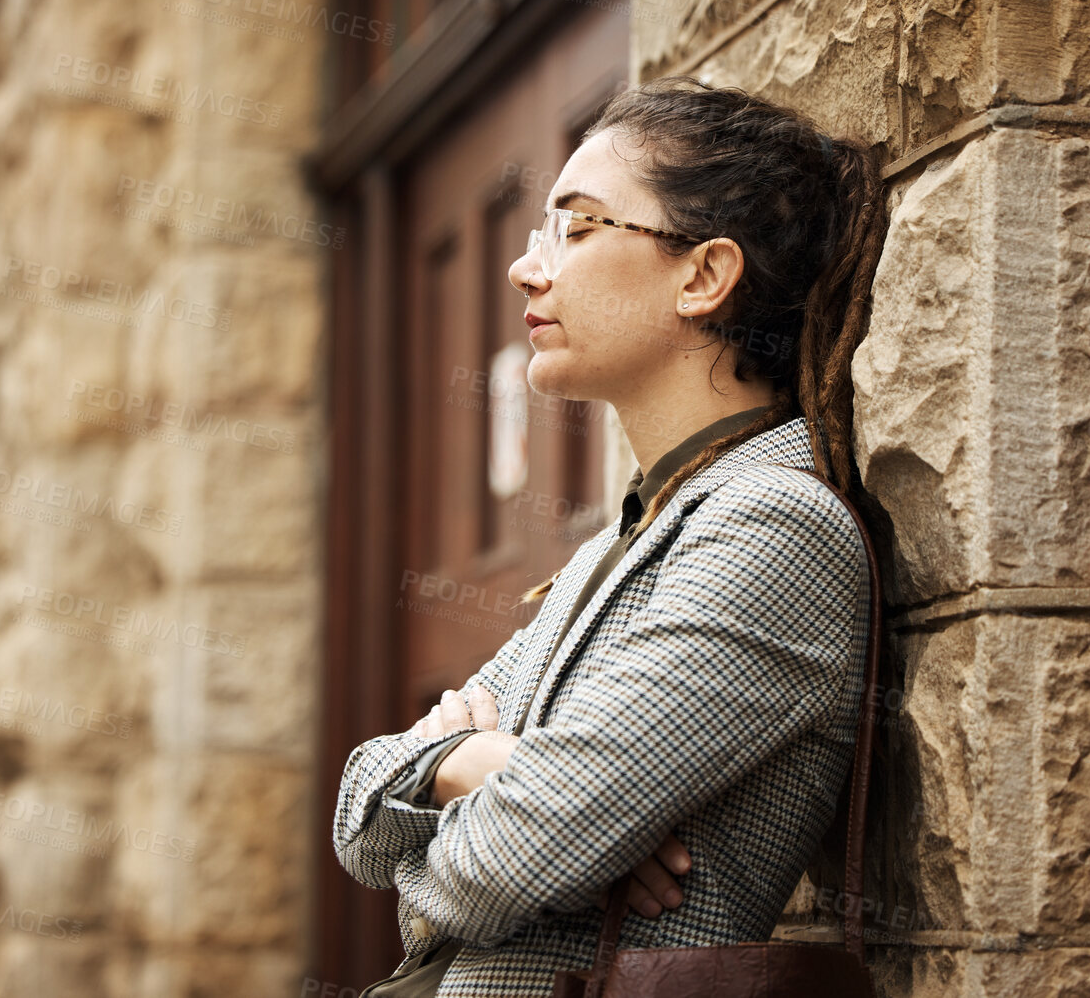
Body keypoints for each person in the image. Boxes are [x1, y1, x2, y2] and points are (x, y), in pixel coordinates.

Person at [333, 77, 892, 997]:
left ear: (703, 276)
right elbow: (359, 806)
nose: (527, 268)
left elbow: (514, 858)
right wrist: (479, 765)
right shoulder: (616, 546)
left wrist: (462, 804)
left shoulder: (773, 526)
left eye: (580, 227)